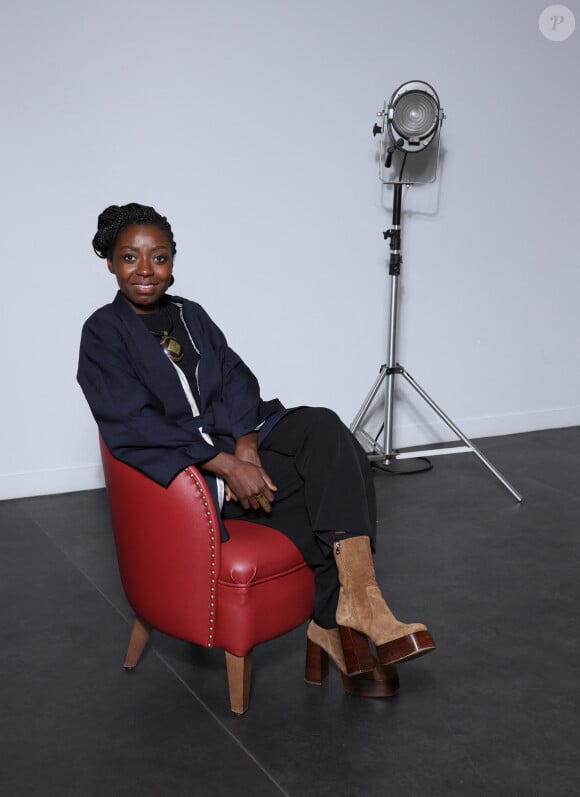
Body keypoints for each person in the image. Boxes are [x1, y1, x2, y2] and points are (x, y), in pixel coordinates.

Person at [77, 202, 435, 700]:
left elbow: (236, 379)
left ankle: (359, 607)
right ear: (111, 263)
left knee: (329, 434)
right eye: (130, 257)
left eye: (157, 257)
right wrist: (224, 465)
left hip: (236, 448)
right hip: (189, 478)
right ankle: (336, 625)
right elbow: (132, 421)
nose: (145, 270)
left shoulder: (191, 315)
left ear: (173, 262)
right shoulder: (102, 334)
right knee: (326, 483)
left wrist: (246, 450)